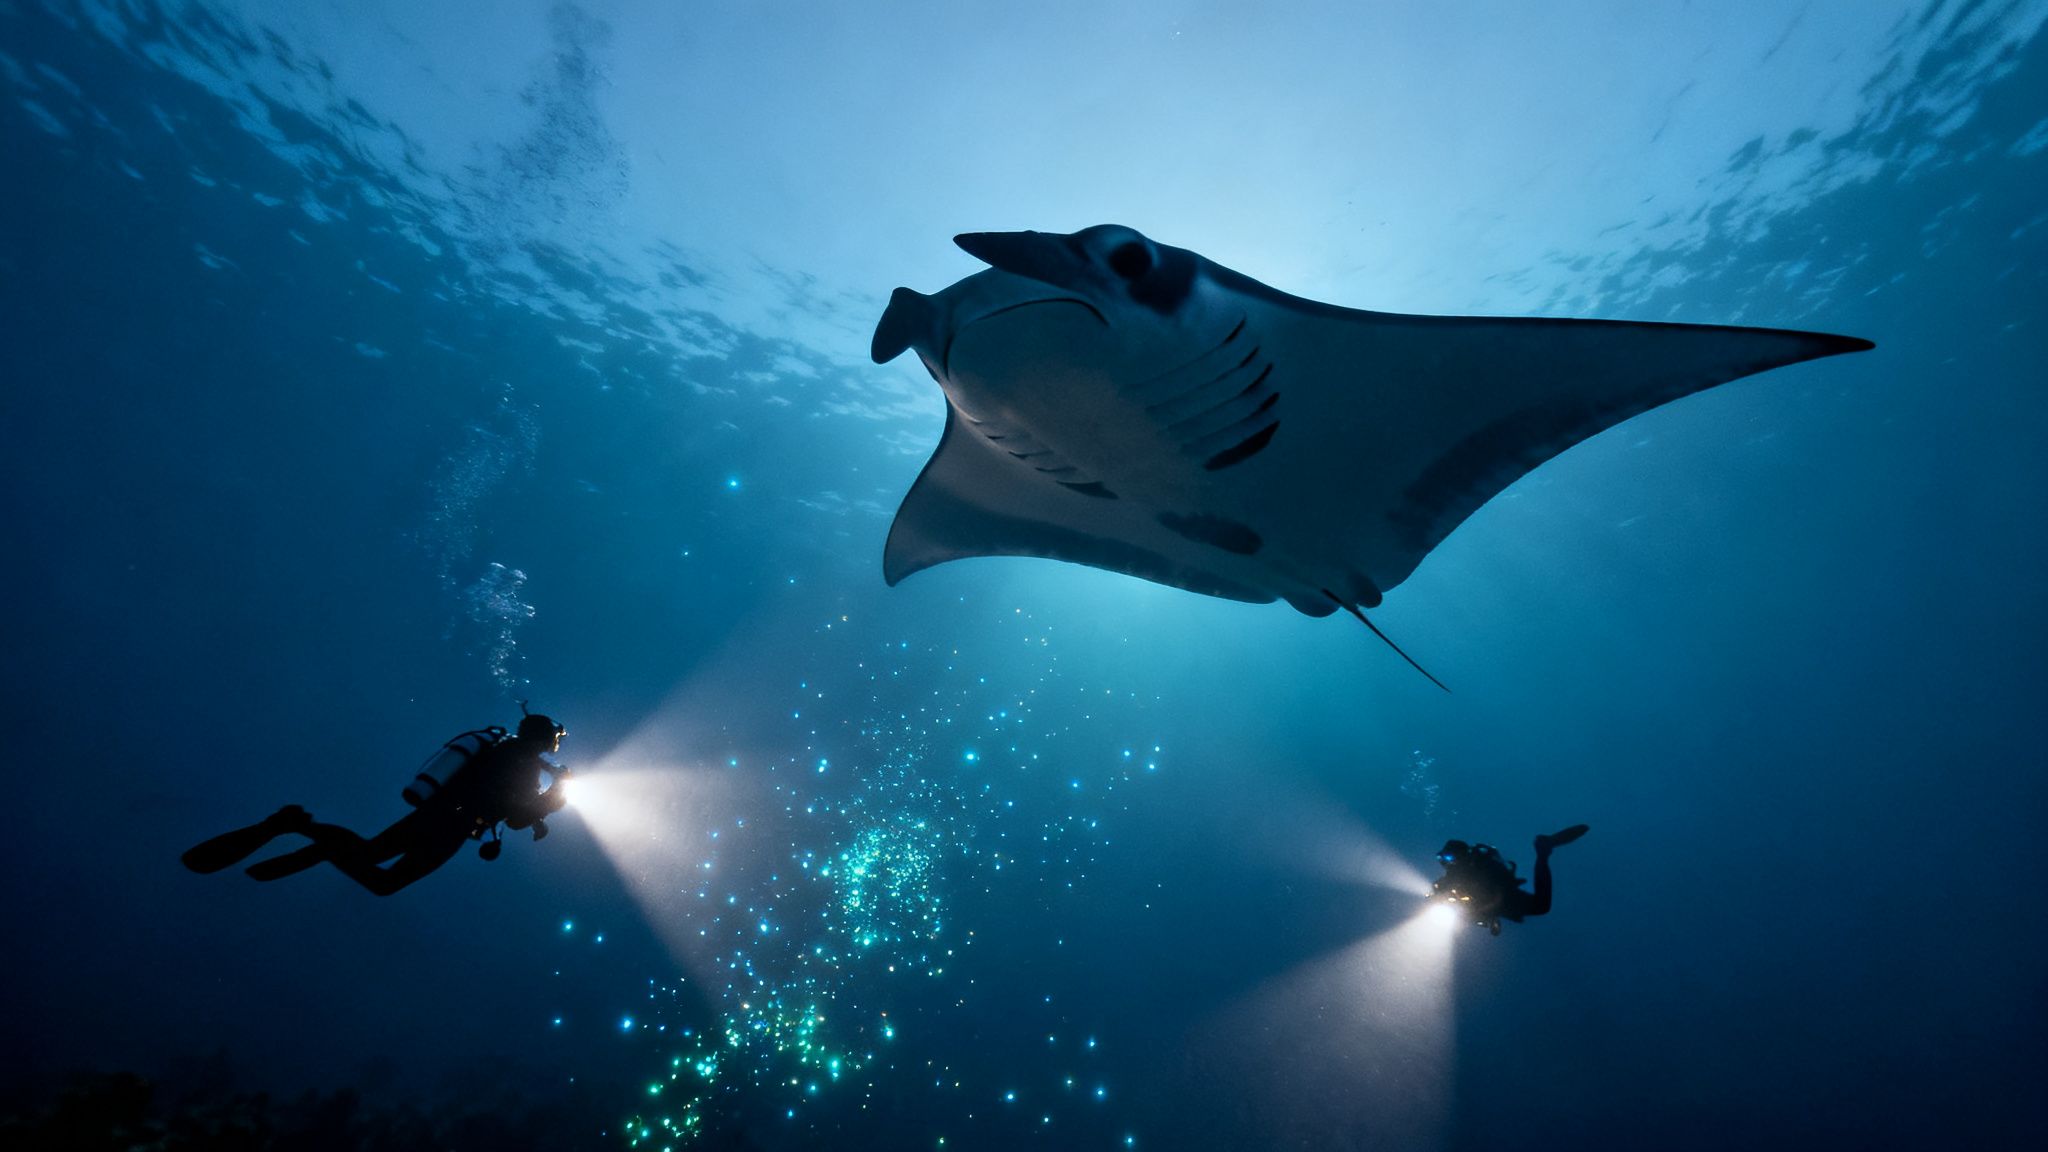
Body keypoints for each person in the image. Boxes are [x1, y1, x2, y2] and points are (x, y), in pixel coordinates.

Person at [182, 709, 570, 895]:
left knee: (370, 855)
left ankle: (304, 830)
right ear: (543, 739)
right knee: (384, 881)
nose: (555, 745)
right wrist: (553, 800)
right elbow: (515, 815)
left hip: (439, 814)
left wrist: (539, 808)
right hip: (449, 825)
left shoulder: (507, 753)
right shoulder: (521, 761)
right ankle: (307, 833)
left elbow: (508, 803)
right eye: (554, 739)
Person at [1431, 824, 1589, 935]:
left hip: (1505, 899)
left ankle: (1543, 850)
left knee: (1541, 906)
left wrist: (1478, 911)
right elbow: (1443, 890)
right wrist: (1436, 896)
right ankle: (1544, 849)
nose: (1446, 863)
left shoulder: (1484, 866)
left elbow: (1498, 896)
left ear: (1462, 856)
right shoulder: (1452, 876)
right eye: (1442, 858)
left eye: (1449, 858)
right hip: (1492, 909)